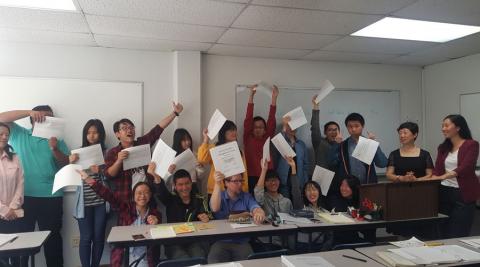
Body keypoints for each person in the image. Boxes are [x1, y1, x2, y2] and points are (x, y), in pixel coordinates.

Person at [0, 106, 69, 267]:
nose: (49, 121)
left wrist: (54, 148)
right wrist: (28, 112)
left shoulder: (57, 139)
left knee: (53, 240)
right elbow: (1, 118)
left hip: (52, 197)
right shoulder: (20, 133)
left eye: (52, 118)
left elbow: (66, 164)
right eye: (45, 117)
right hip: (24, 199)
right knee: (22, 240)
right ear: (34, 119)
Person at [78, 170, 161, 267]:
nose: (142, 196)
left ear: (150, 195)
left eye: (146, 193)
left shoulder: (155, 214)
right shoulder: (125, 208)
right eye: (139, 193)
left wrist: (156, 224)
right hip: (124, 257)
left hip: (145, 258)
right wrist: (88, 179)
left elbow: (159, 238)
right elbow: (107, 195)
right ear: (133, 196)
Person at [104, 102, 183, 203]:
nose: (129, 130)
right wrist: (119, 161)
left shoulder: (142, 143)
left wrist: (175, 113)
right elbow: (109, 175)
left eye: (131, 127)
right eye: (124, 128)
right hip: (126, 200)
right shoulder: (113, 152)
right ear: (117, 134)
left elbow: (158, 129)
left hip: (147, 197)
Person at [147, 163, 211, 260]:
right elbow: (161, 190)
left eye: (187, 183)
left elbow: (209, 216)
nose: (184, 188)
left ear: (191, 183)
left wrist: (206, 218)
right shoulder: (170, 198)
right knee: (183, 260)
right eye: (180, 185)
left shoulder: (200, 199)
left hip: (194, 241)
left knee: (199, 258)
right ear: (175, 186)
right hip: (173, 242)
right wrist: (154, 175)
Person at [430, 114, 479, 238]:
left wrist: (445, 176)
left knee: (459, 231)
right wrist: (420, 179)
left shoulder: (471, 145)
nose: (443, 129)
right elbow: (437, 171)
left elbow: (466, 167)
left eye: (446, 125)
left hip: (463, 194)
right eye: (442, 126)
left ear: (458, 128)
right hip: (444, 192)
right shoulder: (443, 148)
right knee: (442, 230)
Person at [69, 119, 108, 267]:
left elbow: (110, 178)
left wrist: (101, 170)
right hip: (84, 202)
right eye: (88, 133)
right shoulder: (78, 153)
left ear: (101, 134)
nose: (91, 136)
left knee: (98, 238)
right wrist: (71, 162)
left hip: (101, 202)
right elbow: (70, 177)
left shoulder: (106, 153)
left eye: (95, 132)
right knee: (86, 238)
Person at [208, 171, 265, 263]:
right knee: (213, 262)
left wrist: (259, 212)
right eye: (236, 181)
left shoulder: (246, 196)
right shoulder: (219, 196)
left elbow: (255, 207)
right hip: (221, 241)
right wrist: (217, 184)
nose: (240, 184)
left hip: (241, 241)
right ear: (226, 183)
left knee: (250, 263)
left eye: (241, 181)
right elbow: (214, 208)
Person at [328, 112, 387, 186]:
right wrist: (336, 145)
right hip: (349, 188)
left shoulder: (368, 143)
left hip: (368, 186)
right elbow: (331, 163)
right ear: (346, 127)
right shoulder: (343, 145)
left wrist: (374, 144)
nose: (353, 129)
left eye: (356, 126)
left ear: (362, 126)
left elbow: (382, 164)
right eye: (350, 126)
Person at [198, 120, 249, 195]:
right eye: (231, 130)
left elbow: (243, 172)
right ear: (223, 132)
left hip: (234, 191)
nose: (234, 132)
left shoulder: (239, 150)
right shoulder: (214, 147)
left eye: (235, 130)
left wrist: (244, 189)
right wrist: (206, 139)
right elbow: (201, 159)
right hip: (215, 190)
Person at [244, 84, 278, 193]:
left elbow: (271, 119)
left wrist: (274, 99)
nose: (258, 129)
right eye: (255, 127)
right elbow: (248, 118)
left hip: (268, 175)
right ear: (251, 129)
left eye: (261, 127)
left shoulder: (267, 137)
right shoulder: (247, 137)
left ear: (265, 129)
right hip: (251, 176)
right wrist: (251, 96)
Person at [0, 122, 25, 266]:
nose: (4, 137)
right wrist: (4, 210)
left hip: (13, 215)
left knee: (15, 254)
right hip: (3, 213)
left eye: (7, 135)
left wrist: (12, 207)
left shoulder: (14, 157)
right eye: (1, 134)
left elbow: (20, 183)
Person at [276, 116, 308, 207]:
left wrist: (305, 181)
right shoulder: (281, 141)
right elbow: (279, 141)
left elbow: (305, 165)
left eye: (294, 126)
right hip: (284, 181)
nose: (292, 129)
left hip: (298, 180)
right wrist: (284, 126)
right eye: (289, 126)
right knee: (285, 206)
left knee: (298, 205)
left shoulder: (301, 144)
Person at [166, 128, 206, 194]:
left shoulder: (195, 154)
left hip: (192, 186)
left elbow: (201, 177)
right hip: (178, 188)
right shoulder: (171, 157)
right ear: (178, 141)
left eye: (188, 139)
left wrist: (200, 167)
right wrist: (169, 172)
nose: (187, 142)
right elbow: (166, 181)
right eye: (184, 140)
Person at [299, 181, 333, 251]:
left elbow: (330, 235)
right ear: (305, 193)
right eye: (308, 190)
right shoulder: (302, 212)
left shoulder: (326, 212)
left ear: (319, 192)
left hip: (324, 248)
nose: (311, 193)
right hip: (307, 248)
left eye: (314, 189)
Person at [310, 94, 342, 169]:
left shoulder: (343, 145)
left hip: (338, 178)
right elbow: (315, 128)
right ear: (325, 132)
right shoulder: (319, 142)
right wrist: (316, 106)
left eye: (335, 130)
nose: (333, 132)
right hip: (321, 178)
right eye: (330, 130)